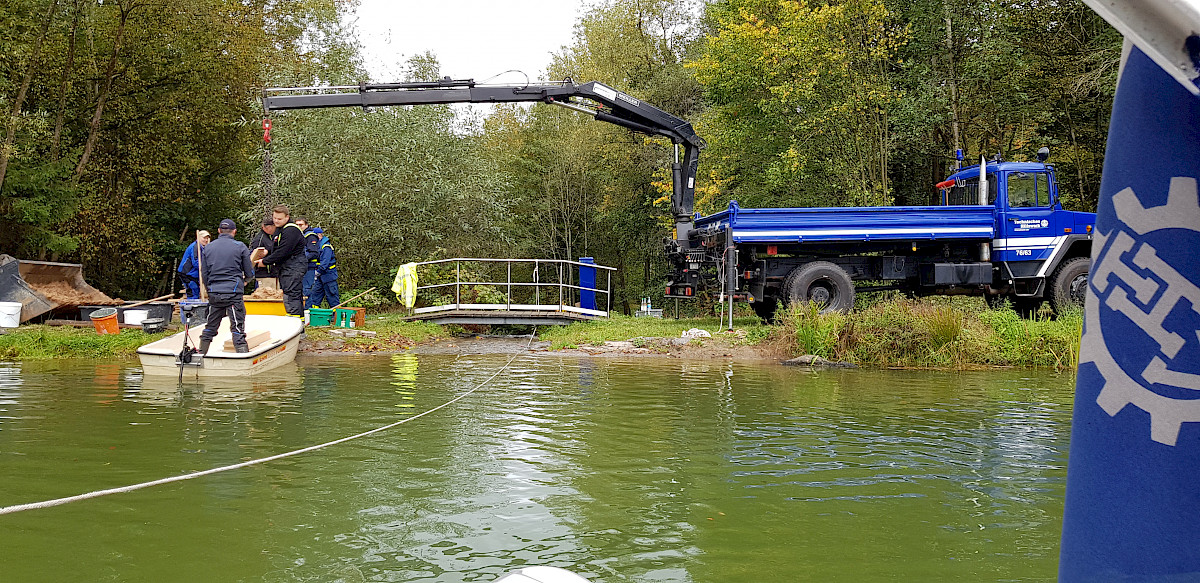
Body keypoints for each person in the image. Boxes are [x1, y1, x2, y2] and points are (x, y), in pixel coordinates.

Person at [198, 219, 254, 354]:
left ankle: (201, 354)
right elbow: (249, 272)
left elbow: (204, 273)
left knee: (210, 326)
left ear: (218, 231)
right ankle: (242, 357)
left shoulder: (207, 248)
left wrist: (209, 289)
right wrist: (246, 281)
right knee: (237, 328)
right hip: (233, 293)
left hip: (214, 293)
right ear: (234, 231)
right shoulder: (240, 247)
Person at [255, 204, 307, 318]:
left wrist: (265, 261)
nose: (276, 221)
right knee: (289, 293)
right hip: (287, 267)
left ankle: (296, 322)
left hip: (294, 266)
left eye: (279, 219)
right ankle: (294, 320)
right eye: (274, 218)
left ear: (287, 217)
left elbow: (283, 251)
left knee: (292, 294)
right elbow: (277, 246)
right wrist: (267, 252)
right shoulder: (281, 229)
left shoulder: (291, 230)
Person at [306, 228, 341, 309]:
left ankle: (336, 317)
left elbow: (325, 263)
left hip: (328, 276)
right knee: (315, 297)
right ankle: (314, 316)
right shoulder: (317, 245)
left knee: (332, 297)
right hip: (320, 277)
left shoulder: (326, 246)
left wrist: (317, 272)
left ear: (319, 235)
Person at [177, 230, 211, 299]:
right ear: (198, 237)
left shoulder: (203, 248)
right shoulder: (195, 247)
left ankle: (192, 307)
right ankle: (191, 308)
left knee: (195, 291)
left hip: (193, 274)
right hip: (187, 273)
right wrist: (206, 268)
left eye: (207, 238)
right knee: (193, 291)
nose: (206, 240)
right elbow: (196, 262)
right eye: (204, 238)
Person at [295, 217, 321, 302]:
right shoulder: (299, 235)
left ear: (306, 225)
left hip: (309, 268)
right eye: (297, 225)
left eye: (301, 225)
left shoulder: (310, 236)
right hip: (301, 267)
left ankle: (306, 311)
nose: (299, 227)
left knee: (306, 291)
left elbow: (314, 253)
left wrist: (301, 260)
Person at [248, 216, 276, 282]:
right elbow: (255, 256)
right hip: (264, 274)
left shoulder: (273, 237)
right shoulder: (259, 239)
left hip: (275, 273)